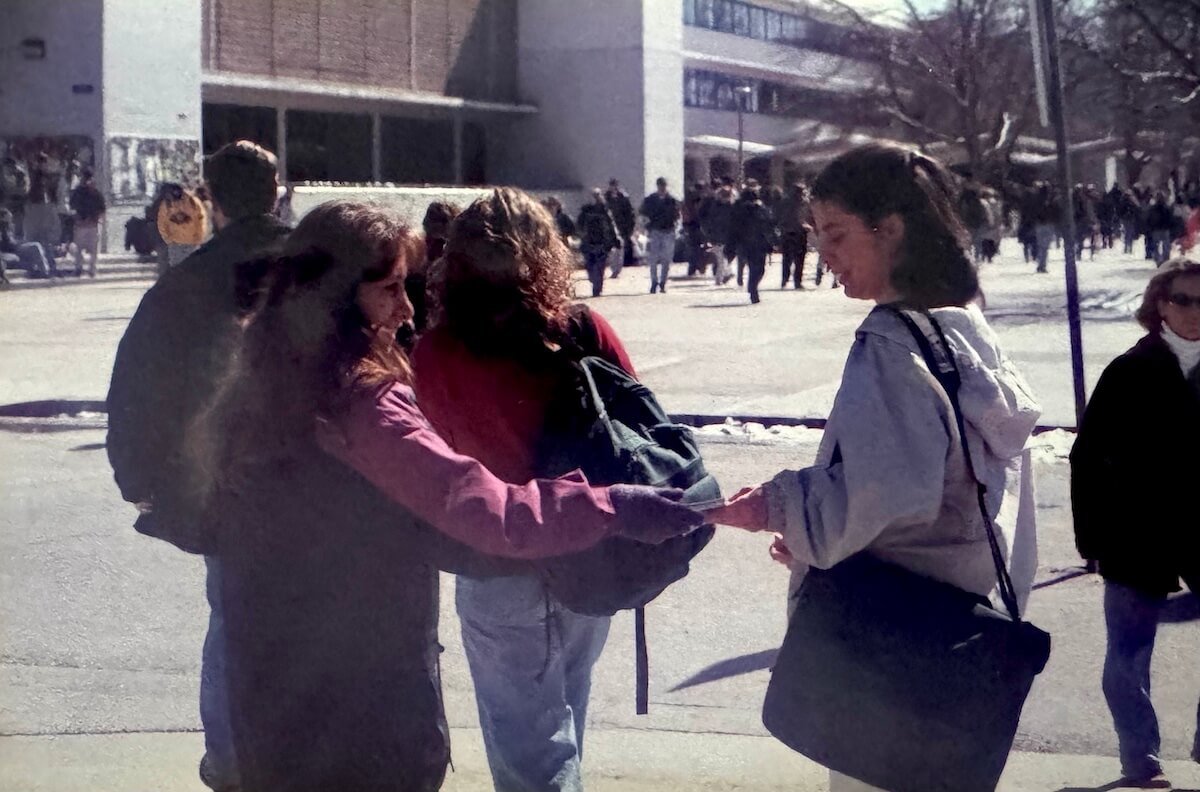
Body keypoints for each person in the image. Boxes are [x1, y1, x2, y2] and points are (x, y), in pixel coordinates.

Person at [189, 199, 701, 792]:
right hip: (363, 688)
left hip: (277, 676)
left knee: (531, 743)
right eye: (389, 289)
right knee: (551, 741)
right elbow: (473, 502)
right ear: (334, 293)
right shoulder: (365, 404)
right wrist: (613, 505)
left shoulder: (260, 387)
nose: (406, 308)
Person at [706, 144, 1041, 792]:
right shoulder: (960, 330)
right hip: (959, 631)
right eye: (816, 235)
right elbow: (951, 492)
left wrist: (783, 508)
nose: (823, 253)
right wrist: (826, 538)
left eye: (836, 234)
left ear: (891, 229)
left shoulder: (891, 345)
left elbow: (883, 493)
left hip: (888, 651)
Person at [414, 187, 666, 792]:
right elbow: (640, 424)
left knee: (526, 741)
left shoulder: (437, 352)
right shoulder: (582, 329)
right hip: (587, 545)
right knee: (566, 715)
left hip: (494, 556)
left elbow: (432, 452)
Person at [106, 140, 289, 792]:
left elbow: (138, 386)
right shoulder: (319, 266)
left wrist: (139, 481)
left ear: (212, 201)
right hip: (319, 474)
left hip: (229, 482)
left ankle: (232, 762)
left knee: (232, 617)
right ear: (278, 192)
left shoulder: (186, 284)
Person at [1070, 257, 1200, 790]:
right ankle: (1141, 761)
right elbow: (1087, 459)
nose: (1195, 311)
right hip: (1136, 534)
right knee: (1128, 653)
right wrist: (1092, 540)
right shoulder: (1129, 370)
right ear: (1160, 306)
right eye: (1183, 300)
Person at [397, 200, 461, 352]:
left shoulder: (459, 274)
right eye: (429, 239)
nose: (433, 248)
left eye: (440, 243)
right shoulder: (411, 265)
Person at [726, 185, 777, 304]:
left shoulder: (745, 209)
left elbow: (732, 228)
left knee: (755, 268)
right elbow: (769, 225)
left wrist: (731, 244)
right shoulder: (751, 209)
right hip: (754, 243)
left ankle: (752, 287)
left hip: (750, 243)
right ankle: (753, 289)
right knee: (758, 269)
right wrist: (774, 240)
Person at [577, 187, 621, 297]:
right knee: (590, 266)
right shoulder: (585, 211)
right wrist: (580, 236)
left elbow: (611, 225)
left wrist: (615, 239)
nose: (596, 198)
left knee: (599, 267)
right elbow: (579, 226)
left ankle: (597, 288)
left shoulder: (605, 210)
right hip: (588, 242)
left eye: (597, 195)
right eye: (594, 196)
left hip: (602, 242)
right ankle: (595, 282)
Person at [640, 177, 680, 294]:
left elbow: (677, 215)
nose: (662, 188)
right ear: (657, 186)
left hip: (668, 231)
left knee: (666, 259)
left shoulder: (671, 200)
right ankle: (654, 282)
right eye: (661, 185)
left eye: (664, 185)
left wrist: (675, 226)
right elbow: (642, 214)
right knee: (653, 259)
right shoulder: (650, 200)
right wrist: (646, 226)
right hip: (655, 231)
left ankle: (663, 282)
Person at [25, 153, 62, 272]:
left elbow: (52, 192)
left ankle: (50, 265)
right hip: (37, 206)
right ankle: (41, 265)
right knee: (38, 237)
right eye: (42, 162)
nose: (44, 165)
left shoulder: (48, 177)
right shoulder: (35, 175)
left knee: (47, 239)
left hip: (45, 206)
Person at [70, 167, 106, 278]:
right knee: (87, 249)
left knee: (84, 249)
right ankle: (87, 269)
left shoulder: (91, 192)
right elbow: (102, 208)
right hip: (87, 223)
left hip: (87, 224)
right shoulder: (86, 192)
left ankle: (84, 268)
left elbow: (101, 208)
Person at [0, 206, 55, 279]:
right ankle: (44, 272)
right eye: (9, 217)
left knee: (41, 246)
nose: (11, 219)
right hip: (11, 250)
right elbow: (7, 243)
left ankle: (45, 270)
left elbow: (13, 239)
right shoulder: (2, 228)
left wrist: (21, 242)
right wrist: (20, 243)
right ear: (2, 217)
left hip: (15, 247)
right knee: (35, 246)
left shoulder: (9, 227)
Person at [777, 182, 813, 289]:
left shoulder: (785, 202)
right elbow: (808, 216)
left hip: (788, 232)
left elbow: (779, 215)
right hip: (799, 232)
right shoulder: (804, 202)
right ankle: (797, 281)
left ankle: (785, 279)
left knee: (787, 258)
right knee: (799, 259)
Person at [605, 178, 636, 277]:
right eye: (611, 185)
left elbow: (630, 213)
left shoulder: (624, 198)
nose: (613, 187)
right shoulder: (606, 198)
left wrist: (630, 228)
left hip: (622, 227)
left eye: (614, 185)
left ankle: (617, 269)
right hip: (610, 227)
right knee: (611, 249)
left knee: (619, 249)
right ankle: (613, 268)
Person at [1146, 193, 1175, 267]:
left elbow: (1149, 219)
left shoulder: (1153, 208)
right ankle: (1165, 260)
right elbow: (1170, 218)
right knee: (1166, 246)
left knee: (1156, 246)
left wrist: (1150, 227)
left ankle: (1158, 260)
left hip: (1156, 229)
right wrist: (1170, 227)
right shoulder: (1166, 208)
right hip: (1164, 228)